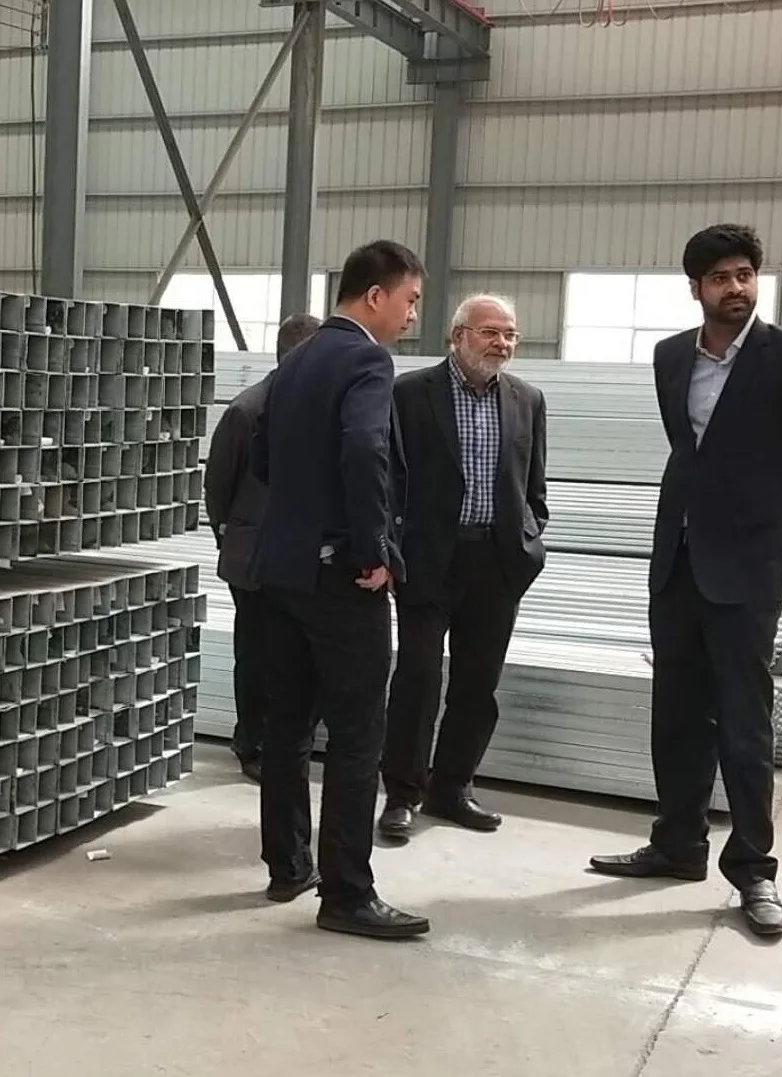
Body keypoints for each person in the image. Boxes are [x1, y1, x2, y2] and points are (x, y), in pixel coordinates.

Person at [589, 224, 782, 939]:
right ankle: (677, 843)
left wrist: (763, 527)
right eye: (721, 277)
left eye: (745, 275)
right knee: (675, 713)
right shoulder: (671, 356)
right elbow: (687, 450)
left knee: (743, 721)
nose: (736, 288)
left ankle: (753, 868)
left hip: (746, 569)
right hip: (676, 559)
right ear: (695, 288)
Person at [252, 240, 429, 940]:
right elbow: (365, 449)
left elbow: (263, 459)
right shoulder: (366, 359)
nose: (411, 315)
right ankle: (348, 892)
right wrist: (372, 549)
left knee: (288, 728)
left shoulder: (296, 360)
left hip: (281, 570)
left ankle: (288, 865)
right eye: (409, 300)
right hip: (340, 576)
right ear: (376, 295)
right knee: (358, 735)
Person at [377, 294, 548, 840]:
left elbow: (534, 485)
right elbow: (388, 477)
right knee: (418, 679)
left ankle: (452, 788)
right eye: (490, 332)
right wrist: (391, 548)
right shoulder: (409, 394)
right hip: (429, 560)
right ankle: (402, 793)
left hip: (496, 563)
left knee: (478, 685)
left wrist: (528, 538)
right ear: (458, 336)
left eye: (510, 334)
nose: (502, 343)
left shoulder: (526, 399)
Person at [204, 313, 322, 783]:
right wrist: (235, 537)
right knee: (257, 655)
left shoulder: (325, 408)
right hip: (254, 560)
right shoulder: (247, 411)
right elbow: (219, 487)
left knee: (300, 655)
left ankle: (289, 740)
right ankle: (251, 741)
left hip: (305, 557)